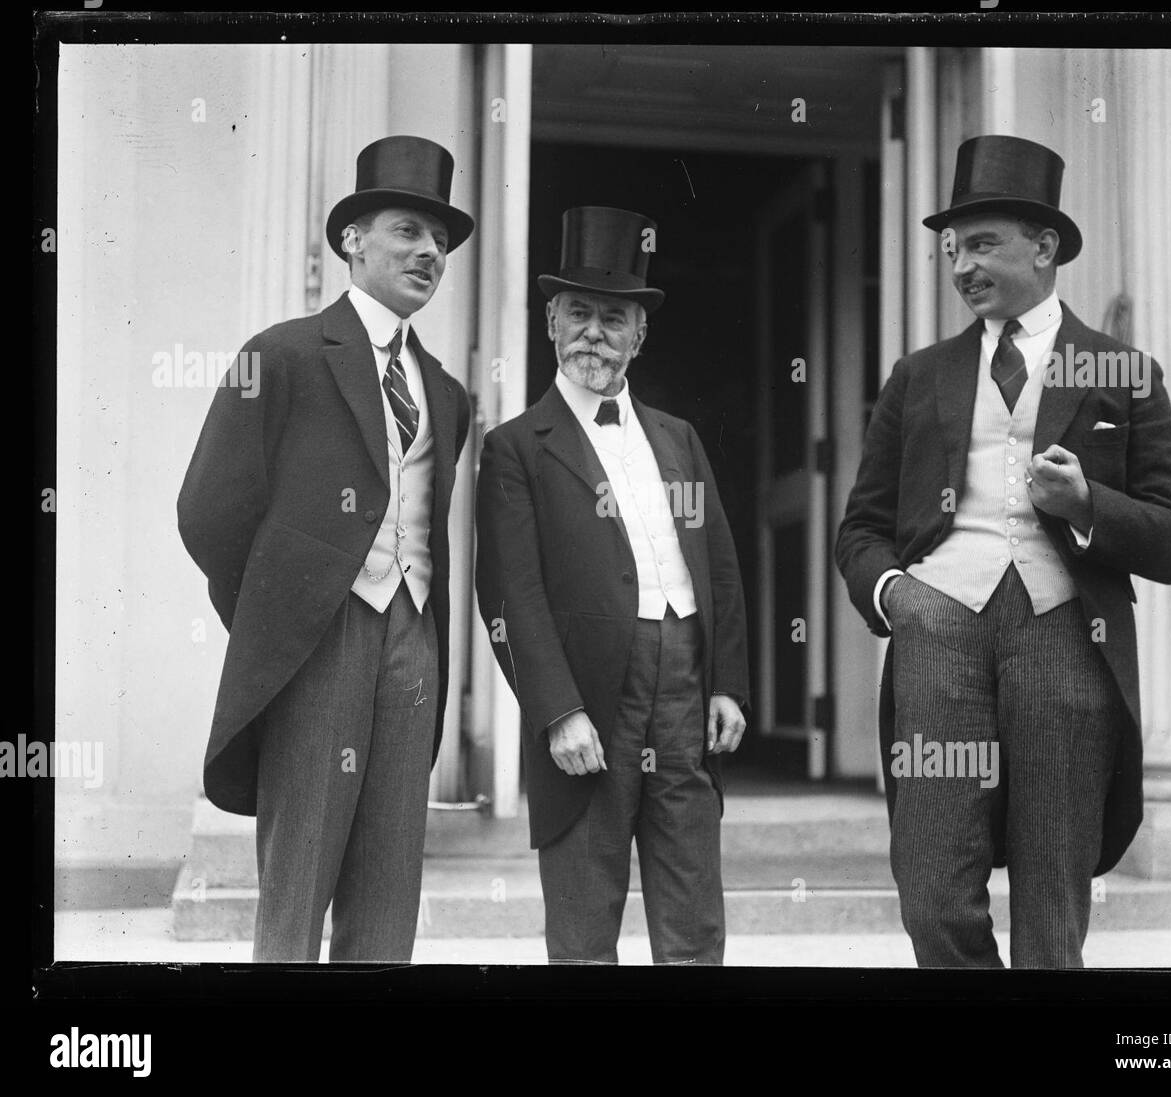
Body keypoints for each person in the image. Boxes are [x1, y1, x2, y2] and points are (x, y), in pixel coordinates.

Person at [835, 135, 1171, 968]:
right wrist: (899, 596)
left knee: (1051, 908)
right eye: (955, 248)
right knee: (931, 892)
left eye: (984, 243)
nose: (962, 264)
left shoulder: (1123, 370)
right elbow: (862, 527)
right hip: (938, 628)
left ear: (1044, 247)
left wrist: (1086, 507)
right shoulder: (919, 374)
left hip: (1067, 634)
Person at [177, 135, 475, 961]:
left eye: (441, 242)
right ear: (352, 240)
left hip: (413, 641)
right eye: (408, 230)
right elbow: (209, 511)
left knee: (388, 894)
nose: (428, 253)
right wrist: (285, 613)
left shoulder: (445, 392)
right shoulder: (284, 354)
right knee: (298, 886)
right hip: (318, 641)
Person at [474, 206, 750, 964]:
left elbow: (719, 563)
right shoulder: (515, 449)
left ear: (640, 334)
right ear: (552, 325)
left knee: (694, 919)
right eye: (580, 315)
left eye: (615, 318)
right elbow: (511, 595)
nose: (596, 333)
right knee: (584, 923)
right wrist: (558, 711)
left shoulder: (677, 436)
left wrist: (727, 683)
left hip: (686, 689)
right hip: (593, 697)